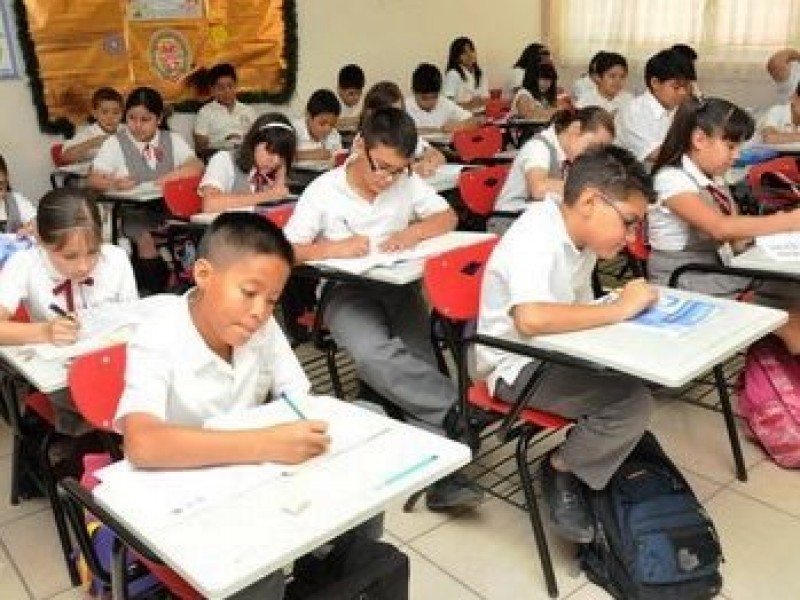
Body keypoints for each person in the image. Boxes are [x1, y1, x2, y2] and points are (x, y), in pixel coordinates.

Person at [115, 212, 381, 599]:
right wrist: (267, 443)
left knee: (361, 494)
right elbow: (142, 444)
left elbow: (298, 399)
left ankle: (327, 573)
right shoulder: (158, 335)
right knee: (260, 568)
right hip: (187, 493)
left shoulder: (260, 325)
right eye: (249, 292)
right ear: (203, 275)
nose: (260, 311)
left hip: (250, 478)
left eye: (272, 300)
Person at [283, 107, 484, 511]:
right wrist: (333, 248)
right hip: (345, 292)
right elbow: (286, 251)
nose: (387, 179)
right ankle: (456, 411)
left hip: (399, 286)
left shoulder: (405, 183)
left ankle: (443, 473)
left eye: (397, 170)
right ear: (360, 145)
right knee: (374, 353)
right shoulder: (324, 189)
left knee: (416, 360)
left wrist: (414, 231)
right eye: (381, 167)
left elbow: (446, 216)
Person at [478, 145, 657, 543]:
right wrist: (619, 311)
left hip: (554, 350)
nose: (631, 239)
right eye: (628, 223)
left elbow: (573, 308)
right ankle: (561, 468)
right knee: (632, 403)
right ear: (591, 201)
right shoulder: (535, 234)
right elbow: (532, 318)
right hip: (516, 365)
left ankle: (598, 456)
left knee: (640, 371)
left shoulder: (579, 237)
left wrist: (624, 309)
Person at [648, 96, 800, 352]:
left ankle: (777, 370)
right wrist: (788, 221)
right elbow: (719, 227)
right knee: (789, 310)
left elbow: (735, 236)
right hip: (686, 277)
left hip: (718, 269)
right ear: (699, 140)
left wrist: (773, 234)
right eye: (730, 147)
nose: (736, 156)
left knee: (791, 286)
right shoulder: (671, 180)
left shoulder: (713, 178)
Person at [0, 188, 137, 431]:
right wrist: (44, 332)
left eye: (93, 252)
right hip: (65, 379)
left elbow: (133, 317)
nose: (84, 266)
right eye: (69, 256)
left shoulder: (115, 258)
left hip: (119, 365)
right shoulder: (25, 264)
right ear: (41, 241)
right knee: (104, 406)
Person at [88, 86, 204, 292]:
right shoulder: (115, 143)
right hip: (132, 211)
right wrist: (114, 183)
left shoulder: (171, 139)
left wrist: (170, 177)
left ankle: (187, 283)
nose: (137, 125)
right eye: (132, 118)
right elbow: (93, 180)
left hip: (168, 207)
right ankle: (155, 291)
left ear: (158, 119)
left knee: (193, 230)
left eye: (145, 119)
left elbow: (197, 166)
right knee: (145, 237)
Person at [490, 107, 615, 234]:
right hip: (510, 221)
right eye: (593, 147)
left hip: (538, 220)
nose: (594, 155)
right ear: (575, 128)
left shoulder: (570, 155)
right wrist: (585, 189)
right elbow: (539, 188)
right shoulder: (539, 147)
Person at [199, 113, 295, 213]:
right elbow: (210, 205)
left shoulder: (273, 170)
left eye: (282, 156)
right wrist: (268, 195)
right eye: (271, 152)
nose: (275, 161)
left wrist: (281, 176)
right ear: (254, 141)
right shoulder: (224, 160)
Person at [614, 48, 694, 163]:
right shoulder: (633, 112)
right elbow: (657, 154)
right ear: (655, 83)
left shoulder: (679, 108)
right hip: (633, 178)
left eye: (686, 87)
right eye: (676, 87)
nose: (683, 93)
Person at [358, 80, 445, 177]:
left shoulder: (403, 135)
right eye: (392, 114)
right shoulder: (363, 142)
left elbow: (438, 155)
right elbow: (375, 174)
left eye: (400, 112)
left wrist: (427, 164)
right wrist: (409, 168)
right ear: (372, 114)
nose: (398, 119)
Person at [193, 63, 257, 154]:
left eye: (230, 86)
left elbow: (258, 140)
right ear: (212, 90)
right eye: (221, 88)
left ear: (236, 86)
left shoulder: (248, 110)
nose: (227, 92)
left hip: (245, 157)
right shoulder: (205, 112)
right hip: (218, 157)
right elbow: (200, 148)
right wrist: (224, 142)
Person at [405, 63, 483, 133]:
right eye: (424, 98)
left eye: (434, 97)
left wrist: (460, 126)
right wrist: (438, 130)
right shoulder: (404, 107)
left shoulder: (444, 103)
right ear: (414, 92)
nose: (430, 102)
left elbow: (475, 120)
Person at [61, 87, 124, 165]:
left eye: (116, 113)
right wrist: (93, 142)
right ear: (94, 114)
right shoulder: (87, 133)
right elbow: (65, 157)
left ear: (122, 114)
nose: (110, 117)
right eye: (104, 112)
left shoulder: (126, 130)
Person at [291, 89, 342, 161]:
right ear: (308, 116)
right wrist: (307, 155)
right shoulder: (293, 130)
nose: (328, 129)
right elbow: (280, 157)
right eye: (322, 123)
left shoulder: (334, 134)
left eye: (332, 124)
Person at [443, 36, 489, 110]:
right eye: (464, 52)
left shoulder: (480, 73)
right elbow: (447, 105)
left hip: (480, 115)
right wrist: (469, 105)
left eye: (471, 50)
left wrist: (480, 102)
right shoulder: (453, 74)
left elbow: (486, 99)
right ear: (456, 57)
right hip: (460, 118)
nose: (469, 55)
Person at [0, 153, 36, 235]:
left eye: (0, 188)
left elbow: (38, 222)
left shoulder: (16, 200)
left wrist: (30, 228)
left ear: (7, 179)